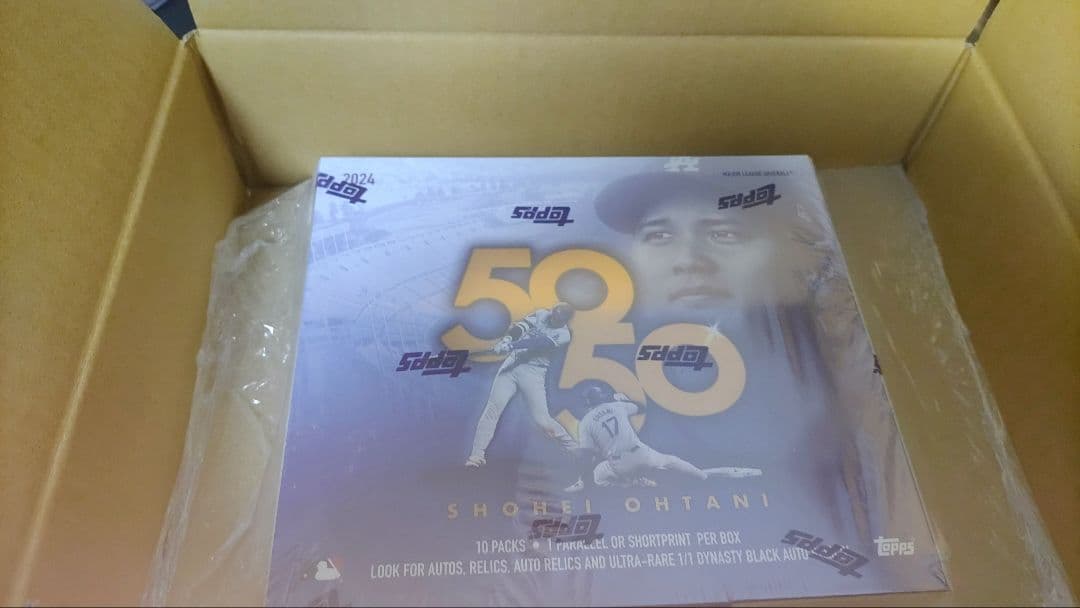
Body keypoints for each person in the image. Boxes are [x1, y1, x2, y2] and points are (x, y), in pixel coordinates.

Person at [565, 384, 761, 492]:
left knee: (599, 476)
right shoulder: (616, 406)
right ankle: (739, 473)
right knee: (698, 473)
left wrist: (583, 478)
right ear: (602, 397)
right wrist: (622, 400)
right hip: (644, 455)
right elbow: (640, 408)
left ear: (587, 404)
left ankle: (633, 483)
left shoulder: (585, 422)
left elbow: (587, 455)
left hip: (619, 464)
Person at [466, 302, 578, 467]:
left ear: (565, 320)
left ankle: (575, 449)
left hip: (533, 372)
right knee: (493, 409)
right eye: (553, 314)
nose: (553, 318)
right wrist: (507, 339)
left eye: (558, 318)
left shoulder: (564, 334)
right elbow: (522, 326)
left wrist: (511, 345)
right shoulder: (542, 313)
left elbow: (539, 343)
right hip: (512, 364)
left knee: (542, 420)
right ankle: (476, 456)